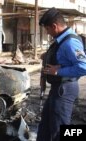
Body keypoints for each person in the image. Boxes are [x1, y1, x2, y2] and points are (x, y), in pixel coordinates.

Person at [37, 7, 86, 141]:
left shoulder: (70, 42)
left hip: (64, 89)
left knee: (59, 130)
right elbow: (63, 57)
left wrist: (58, 70)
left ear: (54, 26)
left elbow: (83, 67)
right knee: (45, 126)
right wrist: (47, 56)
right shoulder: (61, 40)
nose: (47, 33)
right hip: (57, 89)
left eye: (47, 29)